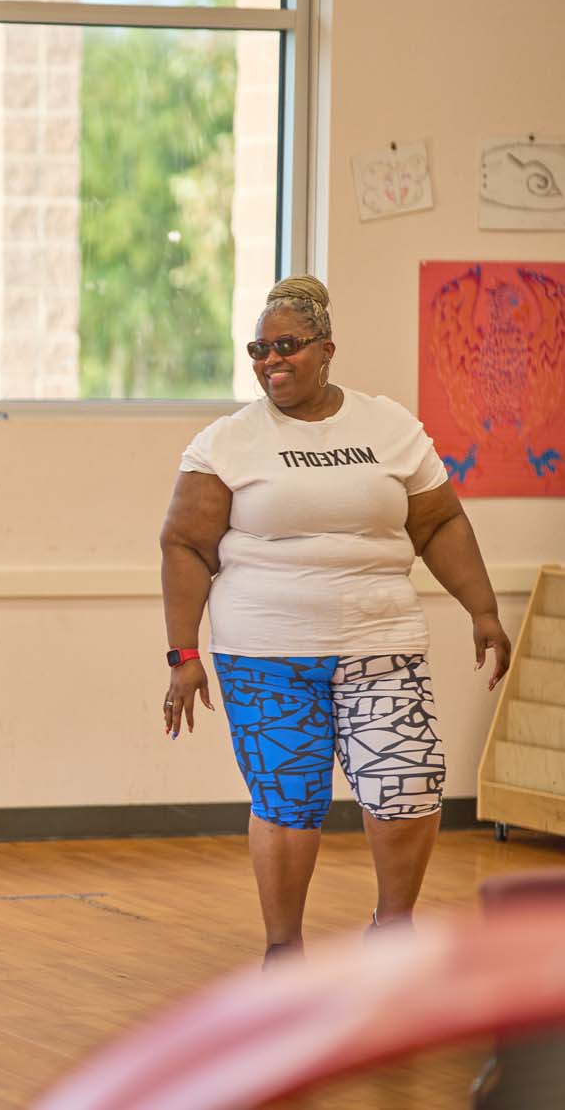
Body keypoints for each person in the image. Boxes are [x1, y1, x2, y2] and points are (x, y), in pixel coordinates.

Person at [158, 275, 512, 965]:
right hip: (265, 651)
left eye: (286, 346)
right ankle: (285, 951)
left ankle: (392, 931)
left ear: (326, 350)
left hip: (382, 641)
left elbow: (438, 521)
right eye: (259, 348)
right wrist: (182, 654)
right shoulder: (226, 442)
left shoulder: (388, 426)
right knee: (290, 804)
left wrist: (484, 609)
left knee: (407, 789)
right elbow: (185, 546)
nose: (270, 361)